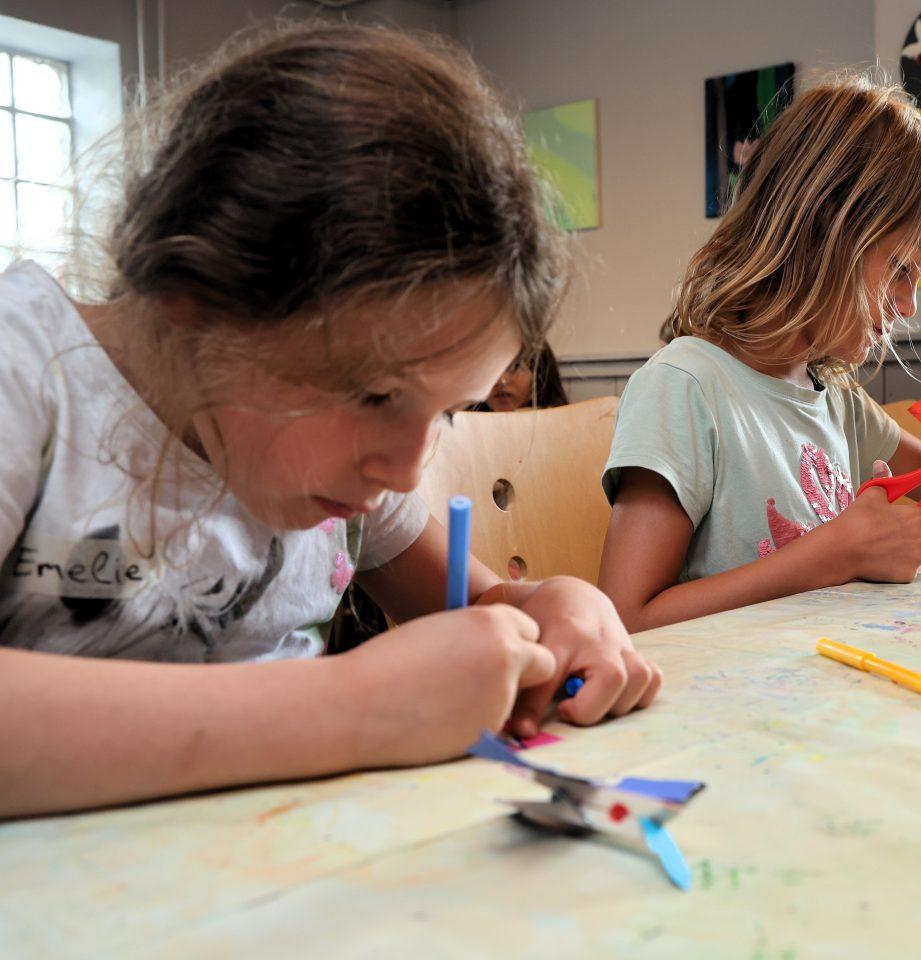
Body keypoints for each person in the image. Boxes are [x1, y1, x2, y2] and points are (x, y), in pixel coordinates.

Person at [0, 24, 659, 818]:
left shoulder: (346, 467)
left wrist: (552, 611)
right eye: (376, 396)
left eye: (450, 413)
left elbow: (482, 611)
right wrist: (355, 707)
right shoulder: (24, 368)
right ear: (198, 294)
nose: (407, 470)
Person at [598, 76, 921, 632]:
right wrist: (836, 554)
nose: (909, 306)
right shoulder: (685, 387)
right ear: (822, 232)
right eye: (901, 269)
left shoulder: (834, 399)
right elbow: (625, 618)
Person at [472, 342, 569, 412]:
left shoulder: (562, 423)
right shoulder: (468, 426)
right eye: (488, 369)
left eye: (515, 366)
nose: (499, 380)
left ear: (539, 373)